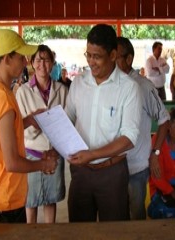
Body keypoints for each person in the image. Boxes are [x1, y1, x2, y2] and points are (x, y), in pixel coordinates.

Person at [0, 29, 58, 223]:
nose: (25, 62)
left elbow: (0, 131)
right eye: (21, 57)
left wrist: (28, 120)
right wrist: (43, 164)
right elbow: (12, 162)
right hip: (5, 197)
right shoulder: (3, 98)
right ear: (6, 58)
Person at [65, 24, 142, 222]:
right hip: (80, 173)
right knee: (79, 231)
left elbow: (129, 138)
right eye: (88, 55)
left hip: (112, 174)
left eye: (97, 56)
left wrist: (92, 155)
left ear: (113, 55)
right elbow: (68, 119)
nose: (91, 62)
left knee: (114, 232)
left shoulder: (129, 88)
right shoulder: (78, 83)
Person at [116, 36, 170, 220]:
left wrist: (155, 154)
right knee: (116, 217)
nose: (111, 62)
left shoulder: (144, 86)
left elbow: (164, 120)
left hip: (136, 167)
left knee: (136, 216)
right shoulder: (110, 86)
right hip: (112, 168)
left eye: (116, 57)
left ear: (128, 59)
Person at [16, 44, 68, 224]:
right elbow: (19, 126)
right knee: (31, 201)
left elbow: (66, 121)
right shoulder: (23, 91)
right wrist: (35, 124)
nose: (42, 64)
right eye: (38, 60)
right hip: (31, 154)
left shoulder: (62, 90)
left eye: (46, 60)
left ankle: (50, 234)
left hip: (54, 153)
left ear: (53, 63)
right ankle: (31, 233)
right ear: (31, 63)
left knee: (50, 200)